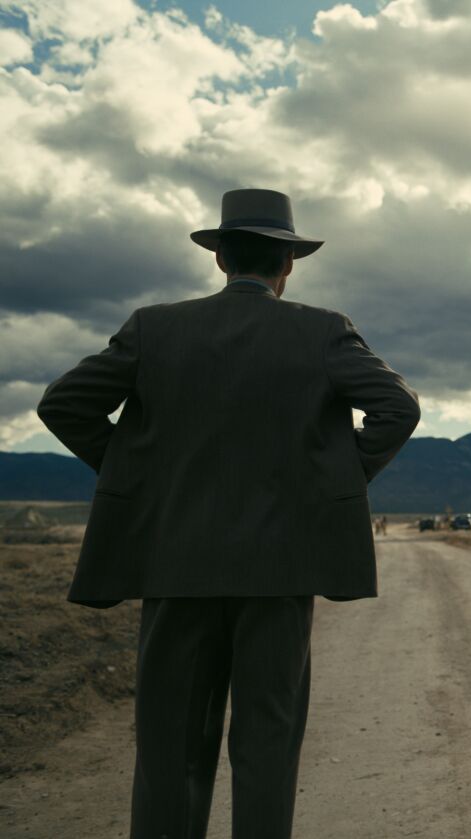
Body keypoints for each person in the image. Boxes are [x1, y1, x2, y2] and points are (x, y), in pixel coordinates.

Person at [37, 188, 421, 838]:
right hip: (278, 579)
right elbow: (397, 407)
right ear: (288, 264)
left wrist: (141, 475)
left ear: (220, 259)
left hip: (174, 571)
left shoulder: (152, 329)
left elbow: (62, 403)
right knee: (267, 754)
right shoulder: (322, 330)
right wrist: (329, 481)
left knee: (169, 758)